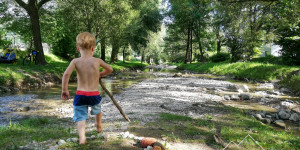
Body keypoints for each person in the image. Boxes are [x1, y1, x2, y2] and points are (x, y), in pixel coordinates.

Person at [61, 32, 113, 144]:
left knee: (80, 116)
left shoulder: (75, 61)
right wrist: (100, 74)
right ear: (93, 48)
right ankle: (98, 126)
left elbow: (66, 74)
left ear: (78, 49)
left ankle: (82, 137)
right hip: (94, 94)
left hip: (81, 94)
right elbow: (110, 69)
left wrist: (64, 89)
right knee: (98, 110)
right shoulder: (97, 61)